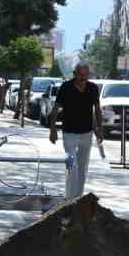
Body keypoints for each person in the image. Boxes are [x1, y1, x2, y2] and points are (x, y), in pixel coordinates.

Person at [48, 62, 103, 199]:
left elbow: (97, 110)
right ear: (74, 74)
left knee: (83, 168)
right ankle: (70, 198)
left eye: (85, 75)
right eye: (80, 75)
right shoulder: (66, 87)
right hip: (69, 133)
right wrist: (52, 129)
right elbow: (55, 109)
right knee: (73, 167)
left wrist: (100, 129)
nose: (83, 78)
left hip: (86, 133)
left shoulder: (93, 88)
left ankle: (78, 198)